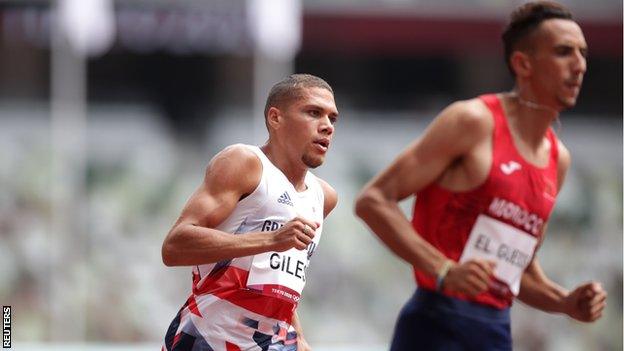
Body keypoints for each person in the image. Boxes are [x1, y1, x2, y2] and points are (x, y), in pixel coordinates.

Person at [354, 2, 607, 350]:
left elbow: (519, 270)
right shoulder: (472, 121)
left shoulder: (558, 159)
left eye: (583, 53)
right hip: (436, 324)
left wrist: (564, 302)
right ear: (523, 64)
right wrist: (444, 270)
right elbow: (373, 200)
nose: (579, 65)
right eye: (564, 52)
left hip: (495, 333)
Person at [161, 74, 339, 351]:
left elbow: (278, 276)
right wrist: (271, 239)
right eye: (314, 113)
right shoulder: (245, 163)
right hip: (209, 340)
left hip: (273, 343)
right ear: (275, 118)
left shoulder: (324, 196)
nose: (327, 126)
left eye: (332, 118)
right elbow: (174, 246)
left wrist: (299, 335)